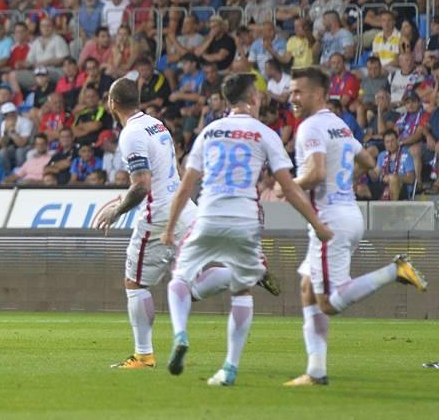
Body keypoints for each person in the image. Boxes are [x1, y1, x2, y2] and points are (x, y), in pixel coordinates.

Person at [161, 73, 333, 386]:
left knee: (180, 279)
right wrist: (317, 223)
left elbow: (186, 186)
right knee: (241, 290)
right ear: (252, 98)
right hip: (246, 220)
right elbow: (290, 189)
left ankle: (181, 333)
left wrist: (170, 228)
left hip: (210, 214)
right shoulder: (266, 134)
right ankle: (229, 369)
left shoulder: (209, 132)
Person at [285, 68, 427, 386]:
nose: (292, 97)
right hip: (348, 212)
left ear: (318, 94)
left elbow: (317, 173)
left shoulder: (310, 127)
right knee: (308, 289)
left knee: (327, 302)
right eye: (291, 91)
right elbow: (368, 162)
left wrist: (286, 185)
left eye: (299, 92)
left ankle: (394, 271)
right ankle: (316, 371)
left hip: (328, 220)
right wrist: (344, 184)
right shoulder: (338, 125)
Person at [93, 78, 197, 369]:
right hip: (183, 206)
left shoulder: (131, 135)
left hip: (158, 213)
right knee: (197, 273)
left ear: (112, 104)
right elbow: (173, 167)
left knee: (135, 282)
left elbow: (141, 185)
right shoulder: (156, 124)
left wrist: (117, 211)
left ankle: (143, 355)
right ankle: (244, 270)